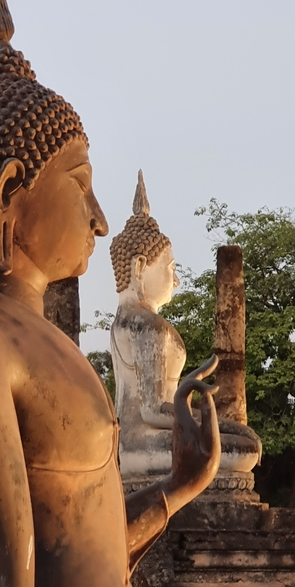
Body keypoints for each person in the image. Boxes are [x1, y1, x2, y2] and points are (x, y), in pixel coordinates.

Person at [0, 0, 221, 587]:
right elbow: (7, 573)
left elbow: (83, 547)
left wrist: (181, 485)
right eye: (80, 185)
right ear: (8, 192)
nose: (100, 220)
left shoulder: (43, 344)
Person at [110, 172, 261, 479]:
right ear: (139, 266)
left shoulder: (121, 323)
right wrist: (221, 423)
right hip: (145, 445)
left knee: (238, 443)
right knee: (244, 450)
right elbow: (153, 410)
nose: (176, 280)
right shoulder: (149, 326)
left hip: (125, 445)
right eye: (170, 267)